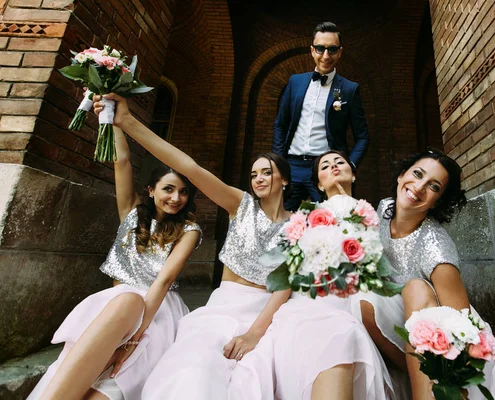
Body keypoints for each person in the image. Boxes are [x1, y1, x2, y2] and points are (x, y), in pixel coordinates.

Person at [92, 93, 293, 398]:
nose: (258, 178)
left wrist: (255, 333)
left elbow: (286, 284)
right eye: (253, 174)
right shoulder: (240, 205)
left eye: (267, 171)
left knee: (254, 377)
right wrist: (128, 123)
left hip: (264, 311)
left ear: (285, 180)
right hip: (223, 304)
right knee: (193, 370)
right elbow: (192, 168)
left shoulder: (302, 223)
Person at [28, 124, 202, 400]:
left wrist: (137, 336)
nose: (176, 198)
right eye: (169, 189)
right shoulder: (131, 212)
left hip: (156, 310)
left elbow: (165, 279)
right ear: (151, 190)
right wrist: (111, 116)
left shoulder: (189, 231)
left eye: (184, 192)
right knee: (78, 371)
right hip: (116, 302)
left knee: (114, 381)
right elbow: (121, 161)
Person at [229, 150, 393, 400]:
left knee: (343, 333)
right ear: (318, 183)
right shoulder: (305, 218)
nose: (334, 166)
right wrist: (255, 332)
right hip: (310, 303)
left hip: (355, 302)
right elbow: (287, 277)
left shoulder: (376, 216)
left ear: (354, 173)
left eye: (340, 162)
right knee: (335, 335)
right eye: (325, 166)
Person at [351, 148, 495, 399]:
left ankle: (427, 391)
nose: (419, 187)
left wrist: (457, 377)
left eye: (433, 186)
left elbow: (462, 326)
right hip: (401, 327)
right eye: (417, 174)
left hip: (445, 340)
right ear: (401, 176)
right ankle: (412, 375)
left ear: (438, 200)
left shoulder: (436, 248)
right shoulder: (384, 209)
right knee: (360, 297)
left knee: (416, 287)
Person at [273, 21, 369, 211]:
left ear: (340, 52)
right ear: (312, 50)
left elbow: (363, 136)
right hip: (291, 166)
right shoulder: (295, 82)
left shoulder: (349, 89)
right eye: (320, 49)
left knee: (334, 222)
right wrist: (279, 161)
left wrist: (348, 165)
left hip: (326, 170)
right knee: (280, 225)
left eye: (332, 50)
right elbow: (280, 125)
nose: (326, 56)